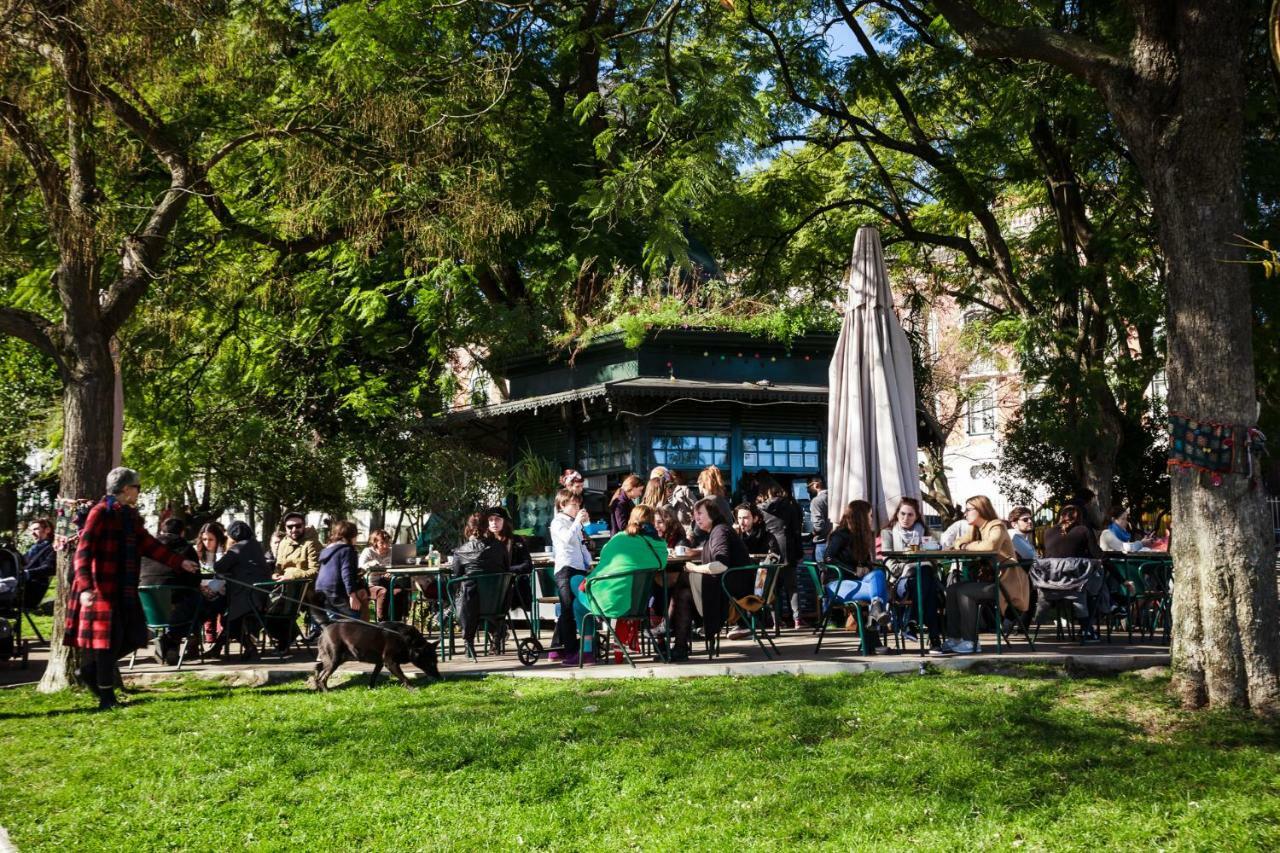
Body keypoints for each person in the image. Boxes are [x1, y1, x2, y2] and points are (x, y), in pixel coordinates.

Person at [65, 467, 201, 710]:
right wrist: (85, 587)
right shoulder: (99, 513)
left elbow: (150, 545)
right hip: (101, 591)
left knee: (136, 636)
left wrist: (180, 562)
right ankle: (106, 697)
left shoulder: (129, 516)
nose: (139, 491)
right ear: (126, 489)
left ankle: (89, 671)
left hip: (125, 590)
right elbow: (82, 552)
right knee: (106, 644)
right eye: (137, 487)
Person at [571, 505, 669, 666]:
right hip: (637, 605)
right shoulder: (658, 544)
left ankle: (587, 651)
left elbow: (603, 565)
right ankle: (588, 649)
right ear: (653, 522)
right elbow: (662, 564)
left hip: (610, 603)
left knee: (575, 581)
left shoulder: (618, 539)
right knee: (578, 604)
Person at [663, 498, 752, 661]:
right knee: (684, 593)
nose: (696, 518)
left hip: (730, 595)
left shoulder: (720, 532)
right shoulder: (718, 531)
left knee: (684, 579)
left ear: (712, 514)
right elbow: (716, 551)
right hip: (727, 588)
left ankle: (668, 629)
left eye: (700, 514)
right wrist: (696, 553)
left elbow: (721, 565)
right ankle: (678, 644)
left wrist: (694, 568)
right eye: (695, 514)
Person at [933, 496, 1024, 656]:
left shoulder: (997, 526)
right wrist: (966, 544)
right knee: (953, 588)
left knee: (964, 591)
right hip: (991, 580)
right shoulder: (975, 528)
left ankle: (971, 641)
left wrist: (969, 545)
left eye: (968, 510)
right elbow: (958, 542)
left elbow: (990, 546)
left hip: (1005, 583)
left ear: (981, 510)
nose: (965, 514)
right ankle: (954, 638)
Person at [824, 500, 890, 646]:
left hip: (858, 583)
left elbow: (866, 562)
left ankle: (875, 612)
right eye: (870, 516)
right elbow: (828, 558)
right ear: (861, 517)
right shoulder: (840, 535)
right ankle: (874, 639)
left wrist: (865, 567)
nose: (872, 519)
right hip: (837, 583)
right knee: (882, 592)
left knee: (878, 574)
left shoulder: (861, 538)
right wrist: (854, 571)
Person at [879, 497, 941, 648]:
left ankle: (911, 621)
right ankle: (934, 639)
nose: (906, 518)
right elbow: (890, 564)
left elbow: (935, 562)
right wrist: (910, 565)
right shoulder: (888, 532)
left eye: (910, 515)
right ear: (897, 514)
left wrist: (928, 551)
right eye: (902, 514)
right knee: (927, 582)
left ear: (917, 516)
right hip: (900, 581)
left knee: (925, 575)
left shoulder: (925, 533)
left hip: (920, 580)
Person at [1038, 505, 1106, 642]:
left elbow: (1049, 555)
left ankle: (1087, 627)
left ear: (1061, 516)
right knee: (1096, 587)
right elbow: (1097, 554)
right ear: (1080, 518)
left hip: (1051, 583)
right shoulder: (1083, 530)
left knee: (1091, 585)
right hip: (1075, 584)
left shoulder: (1048, 532)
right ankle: (1087, 627)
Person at [207, 520, 272, 660]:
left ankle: (248, 648)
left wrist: (219, 551)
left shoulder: (238, 548)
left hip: (247, 597)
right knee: (230, 620)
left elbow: (219, 567)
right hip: (261, 597)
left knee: (227, 618)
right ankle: (221, 649)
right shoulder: (255, 545)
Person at [450, 512, 511, 658]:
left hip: (470, 605)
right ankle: (497, 633)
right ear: (487, 527)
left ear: (468, 528)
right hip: (497, 603)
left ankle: (468, 642)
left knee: (458, 589)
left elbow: (456, 576)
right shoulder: (500, 547)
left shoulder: (461, 551)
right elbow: (506, 569)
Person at [139, 517, 200, 665]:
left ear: (162, 530)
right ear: (182, 532)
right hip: (176, 604)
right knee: (199, 605)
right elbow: (195, 579)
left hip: (147, 607)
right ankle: (172, 641)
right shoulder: (186, 548)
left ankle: (169, 642)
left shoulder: (148, 550)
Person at [547, 488, 593, 663]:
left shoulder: (575, 523)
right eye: (573, 504)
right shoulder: (558, 522)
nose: (576, 507)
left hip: (579, 568)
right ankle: (570, 650)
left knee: (578, 607)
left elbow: (581, 546)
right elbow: (566, 538)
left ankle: (557, 649)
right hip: (566, 568)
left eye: (578, 504)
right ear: (562, 505)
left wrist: (589, 563)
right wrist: (577, 523)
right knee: (567, 610)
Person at [756, 477, 804, 629]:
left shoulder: (759, 508)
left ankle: (776, 621)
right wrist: (799, 551)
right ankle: (797, 619)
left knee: (771, 588)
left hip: (770, 548)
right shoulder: (791, 505)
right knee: (792, 587)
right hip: (788, 548)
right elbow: (797, 530)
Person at [316, 520, 368, 621]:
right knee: (354, 620)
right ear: (351, 536)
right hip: (336, 591)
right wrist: (352, 595)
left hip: (320, 590)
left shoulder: (327, 550)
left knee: (329, 621)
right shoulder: (347, 550)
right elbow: (347, 573)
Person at [487, 507, 533, 615]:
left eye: (497, 519)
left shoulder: (516, 540)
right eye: (491, 519)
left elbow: (528, 565)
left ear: (505, 521)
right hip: (489, 585)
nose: (494, 522)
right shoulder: (483, 542)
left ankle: (498, 627)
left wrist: (505, 570)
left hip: (510, 584)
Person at [195, 522, 229, 644]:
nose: (207, 543)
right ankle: (200, 642)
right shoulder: (197, 553)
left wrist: (220, 549)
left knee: (214, 605)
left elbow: (222, 574)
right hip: (201, 592)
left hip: (219, 593)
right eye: (204, 539)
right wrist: (202, 588)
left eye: (211, 539)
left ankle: (213, 642)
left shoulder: (223, 554)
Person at [21, 517, 56, 610]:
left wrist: (27, 573)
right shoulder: (34, 548)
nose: (32, 533)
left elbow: (49, 568)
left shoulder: (52, 548)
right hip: (21, 587)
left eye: (36, 529)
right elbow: (22, 562)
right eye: (31, 530)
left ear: (47, 530)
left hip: (31, 591)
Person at [807, 477, 832, 562]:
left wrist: (811, 534)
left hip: (822, 542)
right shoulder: (834, 498)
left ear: (816, 485)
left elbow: (819, 526)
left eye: (808, 487)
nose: (808, 490)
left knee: (822, 572)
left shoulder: (816, 501)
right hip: (835, 542)